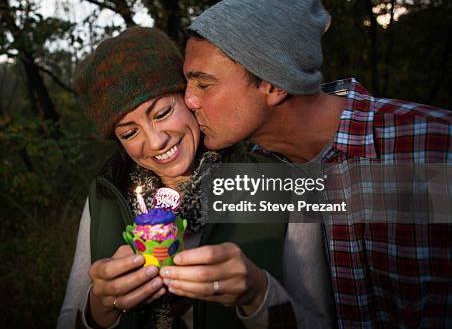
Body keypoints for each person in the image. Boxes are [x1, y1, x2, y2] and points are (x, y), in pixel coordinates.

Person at [182, 0, 452, 328]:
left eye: (204, 83)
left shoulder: (434, 148)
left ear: (273, 84)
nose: (188, 99)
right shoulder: (255, 176)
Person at [57, 27, 334, 328]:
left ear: (189, 98)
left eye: (162, 112)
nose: (155, 142)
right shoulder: (105, 197)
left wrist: (258, 293)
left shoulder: (284, 185)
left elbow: (321, 322)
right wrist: (99, 309)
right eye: (129, 132)